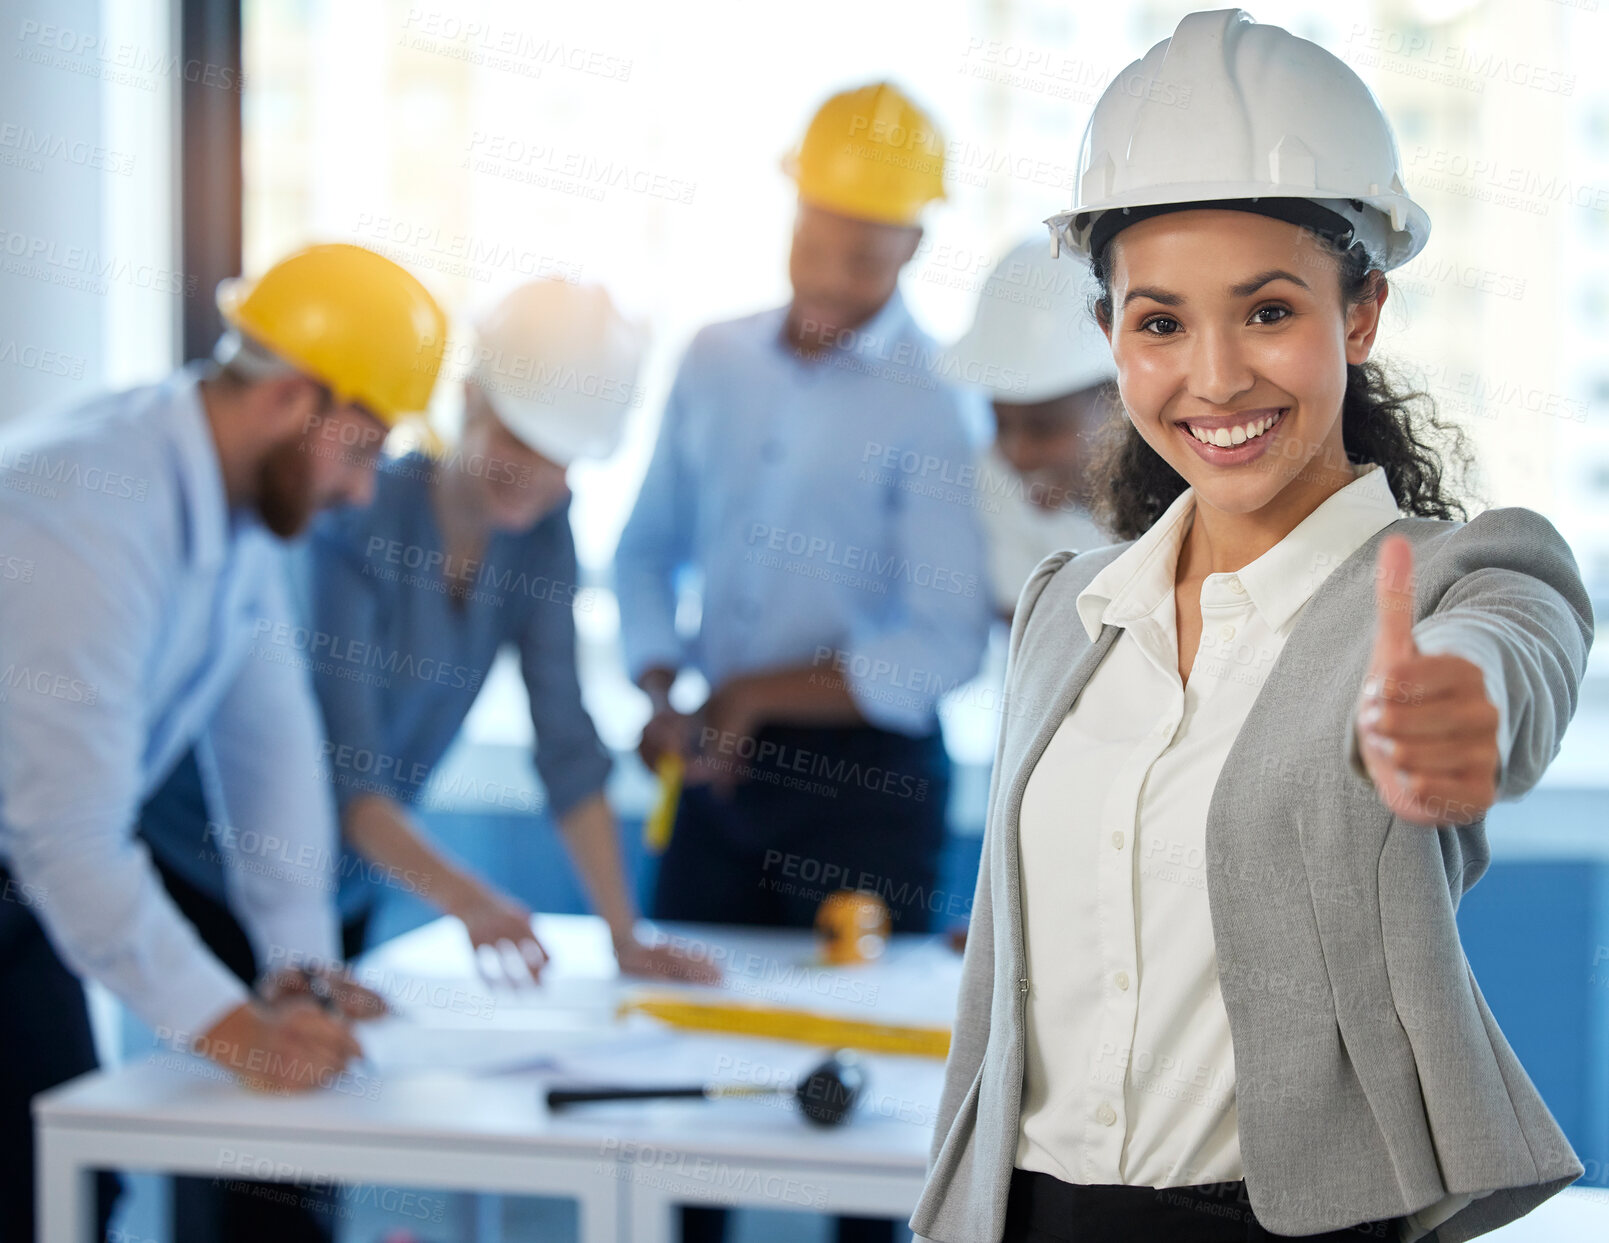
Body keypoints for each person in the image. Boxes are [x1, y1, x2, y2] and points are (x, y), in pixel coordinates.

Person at [912, 11, 1592, 1243]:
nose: (1214, 378)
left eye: (1269, 312)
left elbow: (1515, 650)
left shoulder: (1452, 582)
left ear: (1361, 315)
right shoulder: (1070, 609)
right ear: (1113, 337)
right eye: (1160, 322)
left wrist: (1461, 712)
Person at [615, 82, 992, 1243]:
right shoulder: (713, 359)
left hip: (865, 791)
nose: (830, 282)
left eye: (864, 260)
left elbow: (942, 647)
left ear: (914, 245)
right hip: (716, 776)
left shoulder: (939, 403)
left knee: (864, 1121)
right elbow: (643, 554)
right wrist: (663, 688)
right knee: (681, 1087)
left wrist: (752, 694)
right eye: (814, 245)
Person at [0, 242, 437, 1243]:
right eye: (362, 449)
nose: (364, 491)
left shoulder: (234, 521)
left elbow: (269, 747)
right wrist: (242, 1034)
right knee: (27, 1192)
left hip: (19, 877)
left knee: (63, 1183)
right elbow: (69, 837)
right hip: (34, 852)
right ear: (290, 398)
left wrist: (299, 967)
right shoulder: (90, 516)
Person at [302, 278, 720, 984]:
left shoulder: (541, 537)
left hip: (341, 889)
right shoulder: (360, 521)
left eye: (561, 458)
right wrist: (474, 903)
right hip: (221, 869)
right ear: (468, 400)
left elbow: (566, 744)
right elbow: (350, 781)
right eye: (519, 440)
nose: (533, 476)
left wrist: (625, 938)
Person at [947, 236, 1117, 618]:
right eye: (1000, 423)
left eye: (1043, 428)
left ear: (1120, 402)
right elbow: (1027, 633)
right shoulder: (997, 476)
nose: (1018, 454)